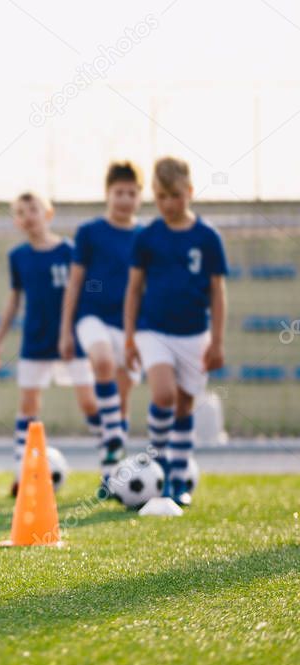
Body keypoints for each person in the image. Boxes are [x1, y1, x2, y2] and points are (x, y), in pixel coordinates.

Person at [124, 156, 228, 506]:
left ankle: (178, 480)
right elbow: (134, 289)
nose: (169, 203)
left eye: (175, 195)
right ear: (154, 195)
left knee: (185, 406)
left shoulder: (208, 237)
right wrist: (128, 337)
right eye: (162, 196)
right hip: (153, 330)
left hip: (194, 334)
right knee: (164, 395)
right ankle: (162, 465)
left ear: (190, 192)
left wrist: (217, 340)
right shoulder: (148, 237)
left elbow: (217, 291)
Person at [0, 192, 98, 496]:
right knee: (28, 407)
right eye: (20, 212)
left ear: (48, 213)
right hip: (35, 342)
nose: (28, 216)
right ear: (17, 221)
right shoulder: (18, 257)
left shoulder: (70, 251)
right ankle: (21, 472)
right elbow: (13, 301)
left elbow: (85, 296)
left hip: (70, 342)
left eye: (33, 209)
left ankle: (111, 466)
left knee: (89, 402)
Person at [59, 161, 144, 498]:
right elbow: (75, 282)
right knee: (104, 363)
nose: (124, 199)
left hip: (129, 326)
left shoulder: (144, 237)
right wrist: (66, 330)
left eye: (131, 193)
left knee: (120, 406)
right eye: (118, 192)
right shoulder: (90, 232)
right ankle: (113, 444)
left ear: (140, 196)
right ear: (108, 194)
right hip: (91, 318)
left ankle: (110, 476)